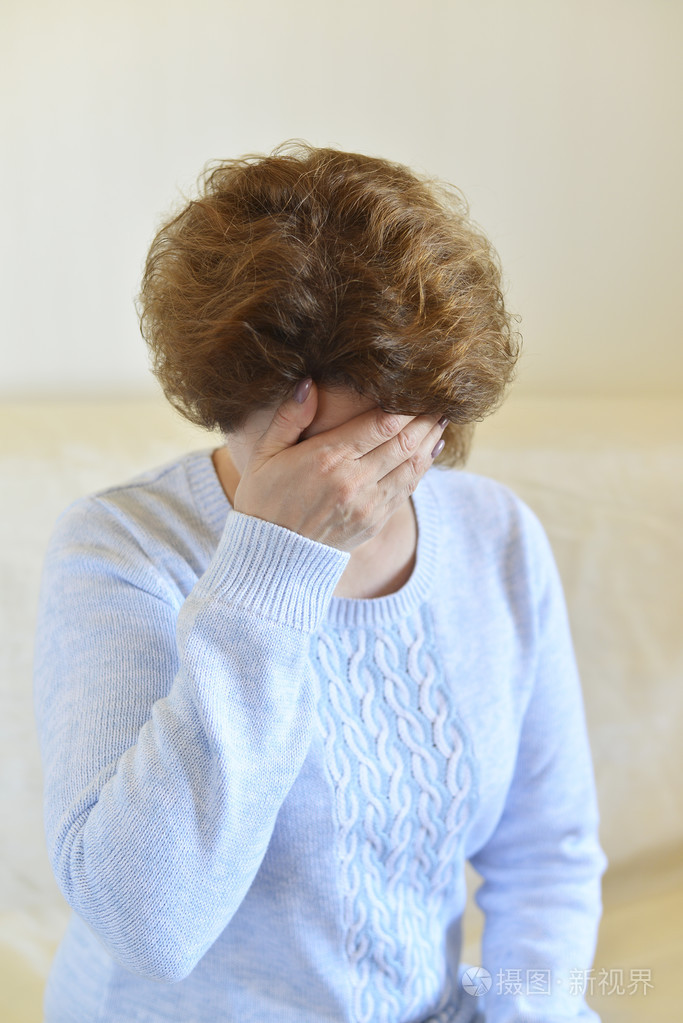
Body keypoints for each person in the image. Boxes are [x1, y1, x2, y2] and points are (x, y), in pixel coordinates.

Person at [33, 141, 607, 1023]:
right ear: (239, 400)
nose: (366, 488)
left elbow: (546, 857)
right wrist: (270, 566)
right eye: (337, 453)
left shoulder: (495, 537)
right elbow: (149, 925)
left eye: (406, 442)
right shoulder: (118, 552)